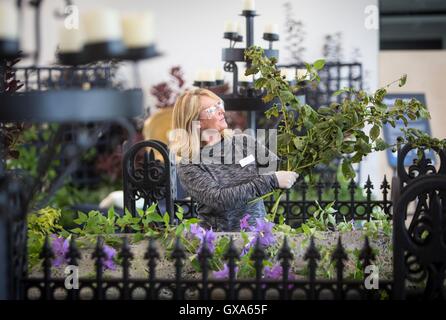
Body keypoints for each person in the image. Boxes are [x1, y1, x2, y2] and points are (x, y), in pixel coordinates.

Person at [170, 88, 298, 231]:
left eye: (219, 105)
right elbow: (219, 199)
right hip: (219, 243)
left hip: (259, 237)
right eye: (212, 109)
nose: (222, 112)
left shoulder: (244, 142)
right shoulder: (190, 165)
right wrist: (272, 181)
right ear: (195, 122)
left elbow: (279, 166)